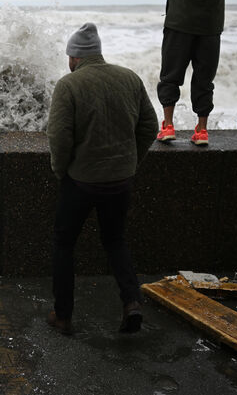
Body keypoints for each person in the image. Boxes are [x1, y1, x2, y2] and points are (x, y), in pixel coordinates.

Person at [46, 23, 158, 335]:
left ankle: (63, 315)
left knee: (64, 244)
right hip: (121, 180)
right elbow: (149, 126)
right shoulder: (129, 78)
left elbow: (59, 137)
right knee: (115, 240)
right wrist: (129, 161)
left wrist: (61, 170)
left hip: (81, 182)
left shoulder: (68, 85)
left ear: (74, 57)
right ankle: (132, 302)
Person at [150, 0, 235, 145]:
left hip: (180, 22)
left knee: (170, 76)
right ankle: (201, 130)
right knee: (204, 79)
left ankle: (168, 126)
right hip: (210, 25)